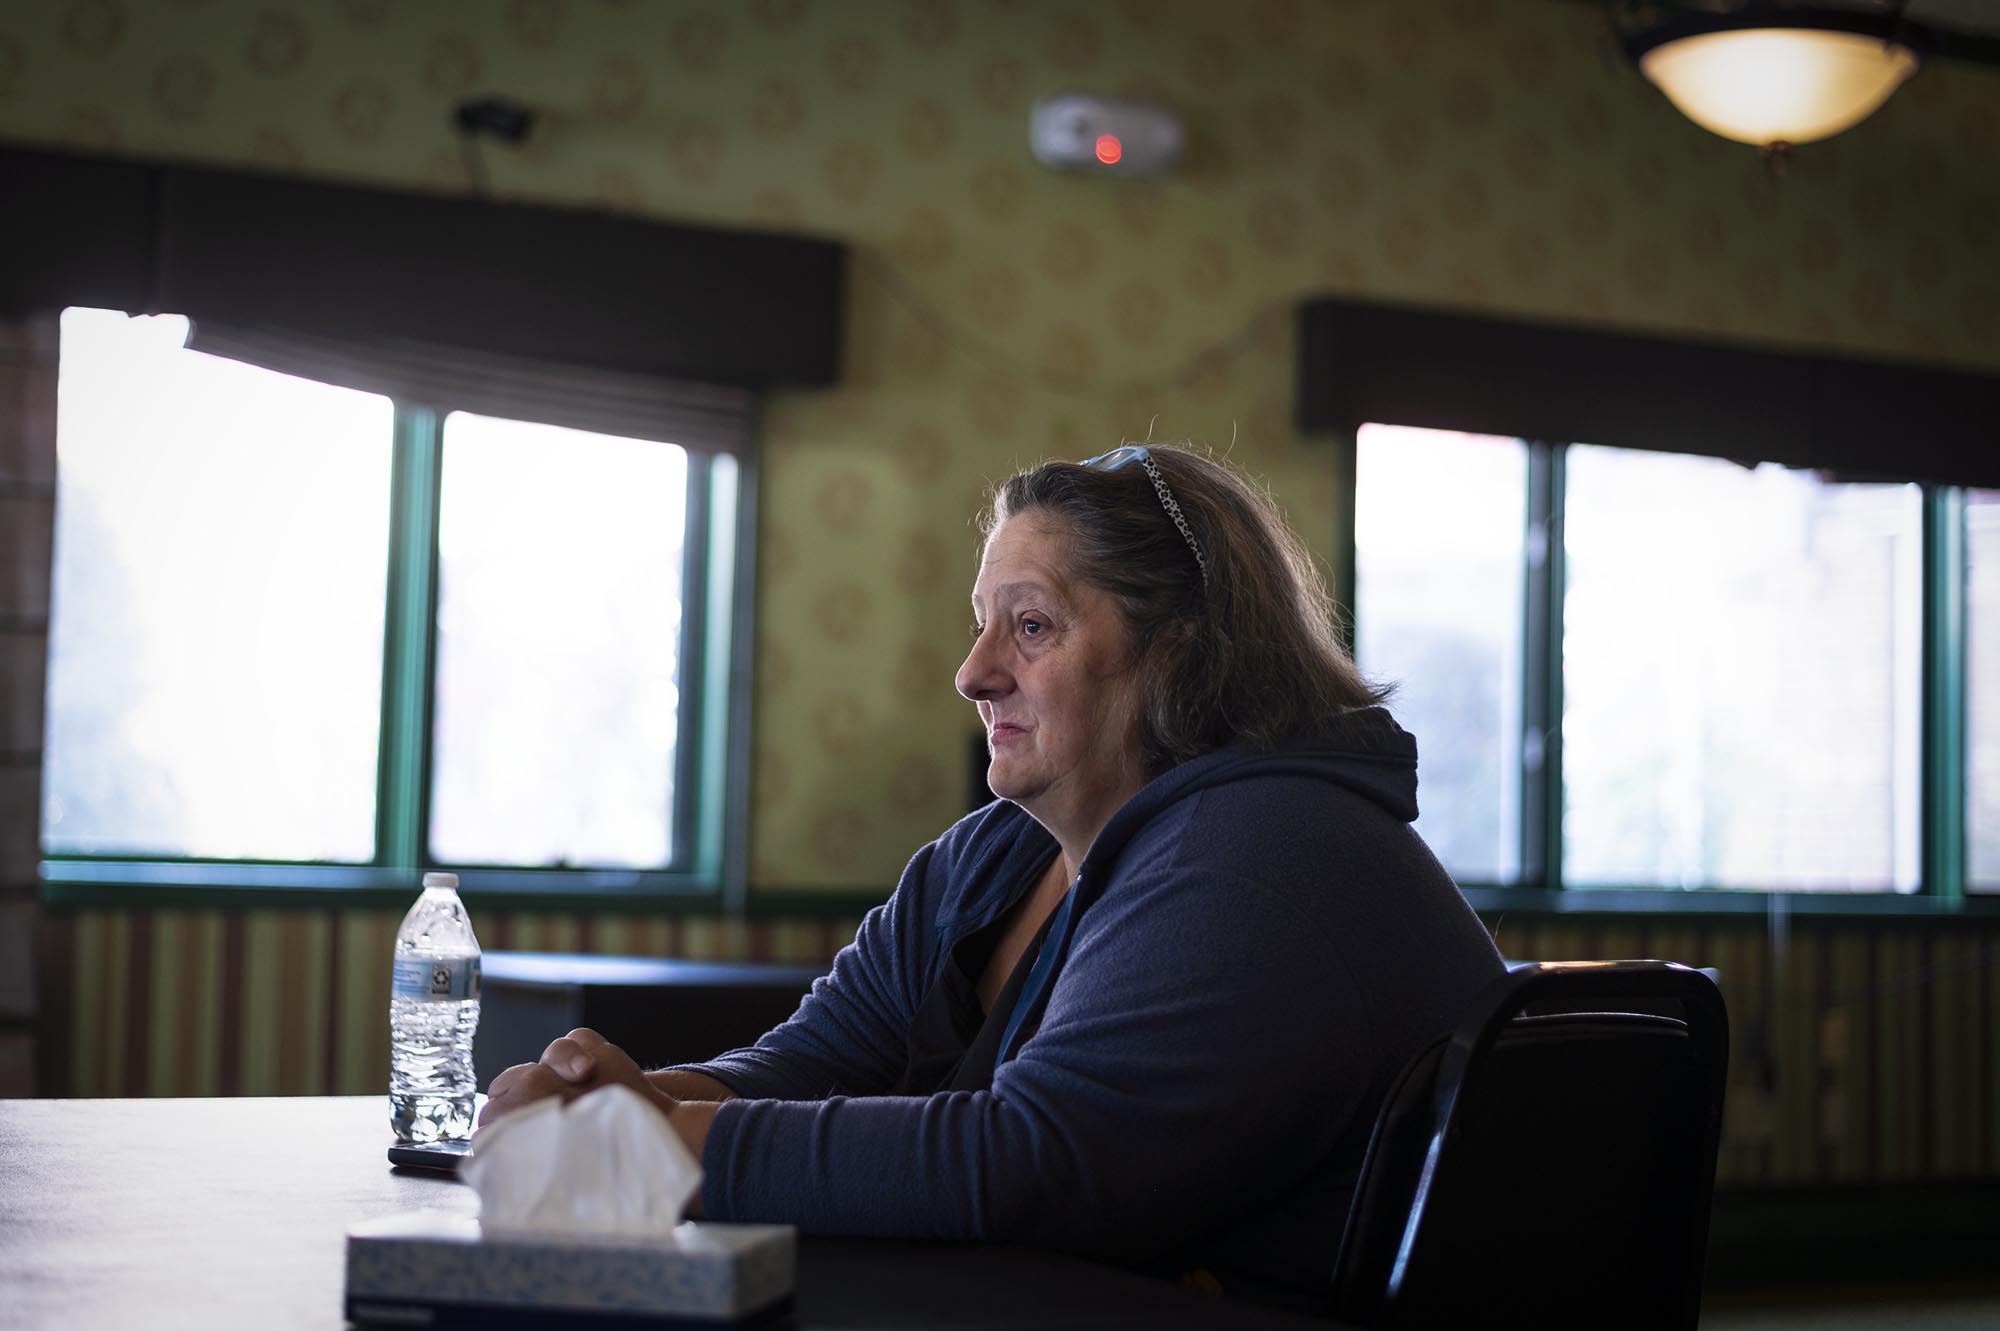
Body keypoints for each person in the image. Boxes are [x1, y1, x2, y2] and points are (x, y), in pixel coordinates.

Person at [482, 441, 1505, 1307]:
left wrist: (659, 1146)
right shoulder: (993, 853)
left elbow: (1037, 1162)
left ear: (1178, 656)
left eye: (1031, 625)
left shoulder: (1265, 850)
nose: (972, 673)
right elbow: (818, 1056)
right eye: (980, 622)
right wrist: (622, 1099)